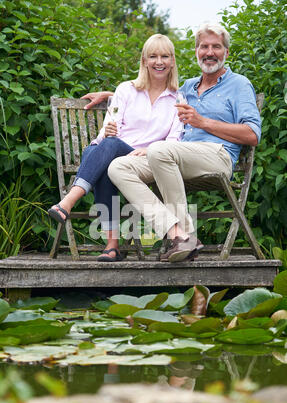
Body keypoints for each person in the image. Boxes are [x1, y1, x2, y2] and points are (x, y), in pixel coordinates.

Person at [108, 23, 262, 262]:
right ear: (196, 51)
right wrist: (108, 96)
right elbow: (152, 90)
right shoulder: (188, 87)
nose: (209, 52)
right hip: (173, 157)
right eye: (204, 47)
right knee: (118, 167)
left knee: (159, 150)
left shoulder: (239, 84)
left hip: (217, 156)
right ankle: (176, 232)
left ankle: (186, 235)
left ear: (226, 53)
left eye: (216, 47)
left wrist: (203, 122)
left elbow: (252, 135)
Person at [48, 34, 182, 261]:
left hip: (146, 159)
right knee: (102, 152)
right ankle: (112, 247)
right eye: (153, 56)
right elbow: (110, 127)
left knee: (101, 151)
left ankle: (69, 202)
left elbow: (174, 140)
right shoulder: (126, 90)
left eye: (164, 56)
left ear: (172, 61)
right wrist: (108, 133)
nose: (159, 61)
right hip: (115, 152)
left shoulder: (178, 99)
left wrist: (150, 150)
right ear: (144, 61)